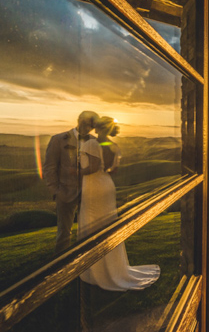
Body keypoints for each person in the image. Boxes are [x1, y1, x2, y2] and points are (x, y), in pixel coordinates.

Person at [78, 117, 160, 291]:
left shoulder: (90, 144)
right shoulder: (114, 147)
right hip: (106, 184)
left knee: (91, 225)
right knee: (107, 224)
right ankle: (114, 269)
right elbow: (112, 170)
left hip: (93, 186)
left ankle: (95, 272)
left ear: (97, 128)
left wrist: (73, 171)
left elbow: (91, 168)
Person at [43, 110, 99, 253]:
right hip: (65, 193)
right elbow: (50, 167)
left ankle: (85, 265)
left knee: (88, 231)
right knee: (64, 234)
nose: (88, 127)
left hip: (89, 193)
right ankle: (60, 268)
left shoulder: (94, 141)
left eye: (91, 125)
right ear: (79, 120)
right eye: (86, 122)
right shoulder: (58, 140)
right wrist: (56, 191)